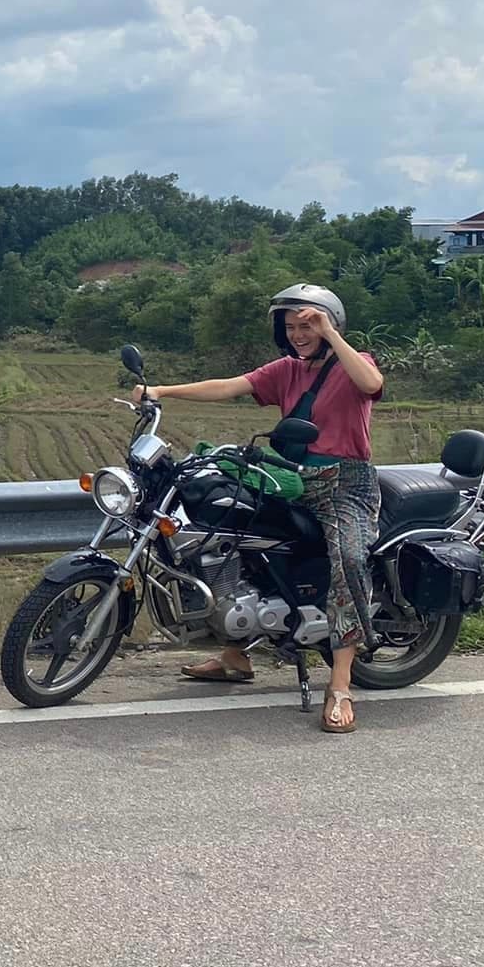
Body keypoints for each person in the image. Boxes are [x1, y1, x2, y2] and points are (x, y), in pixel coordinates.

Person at [132, 284, 382, 733]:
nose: (299, 335)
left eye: (308, 325)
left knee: (348, 558)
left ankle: (341, 684)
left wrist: (332, 334)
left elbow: (372, 385)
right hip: (288, 476)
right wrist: (162, 389)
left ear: (330, 324)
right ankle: (236, 652)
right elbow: (231, 386)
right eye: (291, 328)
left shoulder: (354, 363)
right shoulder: (287, 369)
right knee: (233, 532)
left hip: (345, 484)